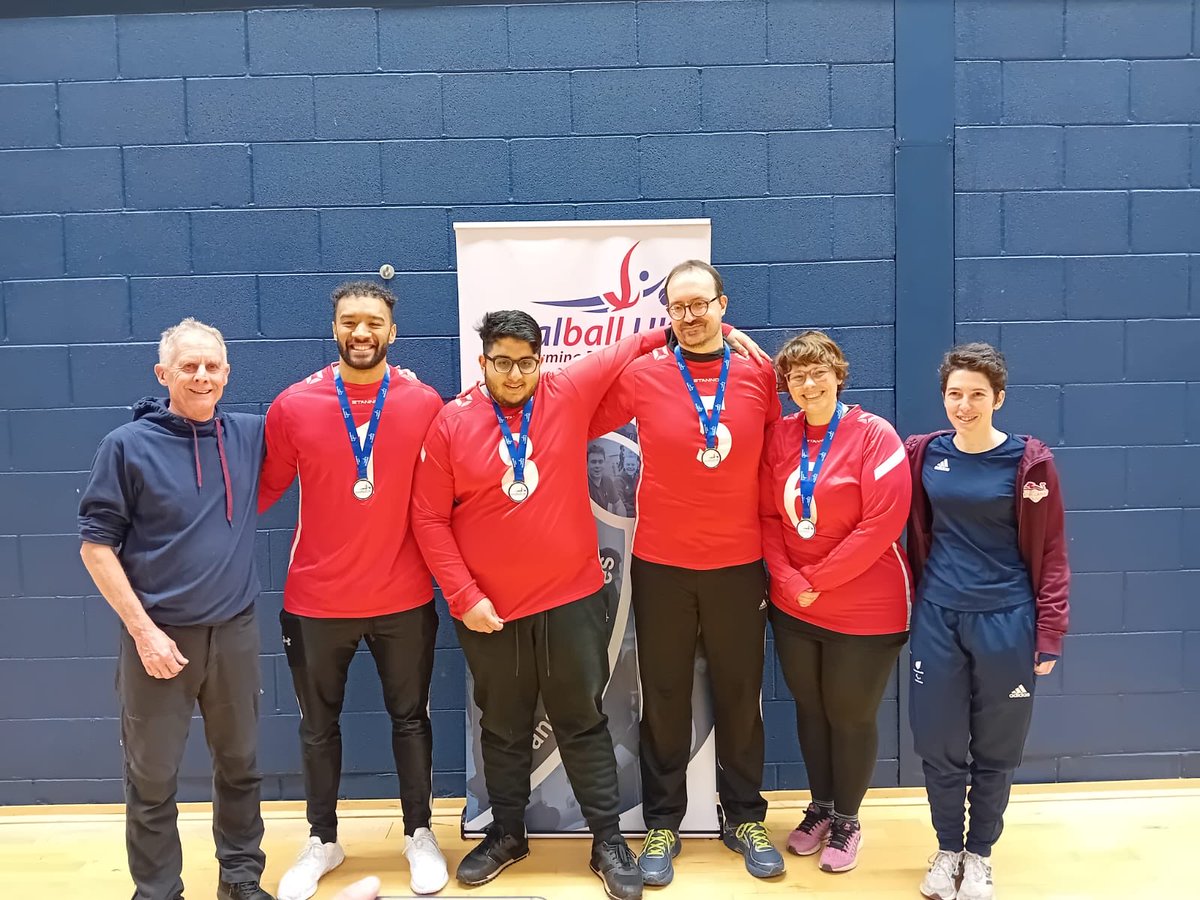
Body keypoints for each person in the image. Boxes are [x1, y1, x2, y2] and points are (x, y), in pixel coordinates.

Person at [411, 310, 761, 900]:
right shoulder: (451, 422)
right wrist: (464, 596)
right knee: (502, 728)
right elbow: (427, 518)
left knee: (582, 722)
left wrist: (717, 331)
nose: (515, 373)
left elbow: (635, 342)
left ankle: (607, 841)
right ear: (483, 363)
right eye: (503, 362)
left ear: (540, 360)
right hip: (488, 610)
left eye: (526, 361)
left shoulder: (564, 393)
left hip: (571, 602)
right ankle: (507, 833)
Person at [590, 260, 784, 886]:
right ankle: (662, 825)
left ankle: (745, 817)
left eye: (702, 303)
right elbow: (582, 416)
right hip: (663, 566)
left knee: (740, 696)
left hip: (739, 565)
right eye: (679, 307)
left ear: (723, 305)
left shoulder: (758, 375)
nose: (691, 316)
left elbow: (781, 459)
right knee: (665, 696)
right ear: (666, 315)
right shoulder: (645, 375)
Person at [258, 282, 448, 900]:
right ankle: (322, 840)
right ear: (334, 328)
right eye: (349, 322)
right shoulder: (293, 405)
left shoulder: (424, 402)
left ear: (393, 332)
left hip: (405, 594)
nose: (361, 333)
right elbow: (260, 494)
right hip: (316, 601)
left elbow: (449, 491)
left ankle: (419, 833)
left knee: (411, 720)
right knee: (318, 727)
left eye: (373, 323)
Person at [78, 319, 274, 900]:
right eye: (189, 366)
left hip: (234, 632)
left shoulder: (247, 435)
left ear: (227, 373)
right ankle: (158, 889)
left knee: (240, 766)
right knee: (152, 777)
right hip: (158, 640)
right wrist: (144, 633)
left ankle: (240, 879)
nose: (202, 375)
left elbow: (321, 418)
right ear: (163, 374)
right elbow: (95, 548)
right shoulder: (125, 447)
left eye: (212, 365)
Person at [904, 343, 1069, 900]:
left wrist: (1049, 632)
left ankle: (980, 856)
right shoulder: (924, 454)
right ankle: (948, 847)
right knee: (939, 742)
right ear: (943, 398)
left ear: (999, 398)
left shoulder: (1029, 462)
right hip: (938, 617)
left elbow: (1052, 553)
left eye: (977, 395)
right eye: (955, 394)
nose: (965, 405)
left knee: (997, 747)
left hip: (1006, 619)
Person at [758, 331, 912, 874]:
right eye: (796, 376)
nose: (808, 383)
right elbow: (767, 518)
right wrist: (787, 579)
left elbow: (882, 522)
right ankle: (820, 807)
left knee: (849, 715)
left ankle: (848, 819)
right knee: (812, 711)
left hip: (866, 608)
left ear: (838, 374)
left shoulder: (874, 435)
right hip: (796, 604)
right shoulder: (779, 436)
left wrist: (817, 577)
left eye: (818, 371)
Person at [588, 442, 626, 514]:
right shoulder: (583, 483)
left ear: (604, 463)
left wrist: (620, 521)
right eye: (593, 462)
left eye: (600, 462)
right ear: (587, 464)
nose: (597, 466)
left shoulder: (607, 480)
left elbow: (619, 505)